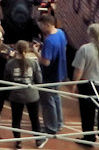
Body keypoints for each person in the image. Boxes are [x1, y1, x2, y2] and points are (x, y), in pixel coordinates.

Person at [37, 12, 67, 141]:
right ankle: (58, 123)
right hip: (60, 72)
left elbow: (46, 62)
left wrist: (36, 52)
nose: (41, 28)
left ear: (47, 24)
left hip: (49, 75)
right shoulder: (60, 33)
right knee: (56, 98)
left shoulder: (49, 41)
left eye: (41, 26)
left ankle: (51, 127)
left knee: (48, 101)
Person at [5, 38, 42, 143]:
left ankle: (18, 142)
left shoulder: (10, 64)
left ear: (16, 49)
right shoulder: (33, 63)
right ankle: (38, 140)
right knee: (34, 118)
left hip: (16, 95)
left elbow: (6, 80)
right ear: (27, 50)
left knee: (16, 119)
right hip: (32, 95)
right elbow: (39, 80)